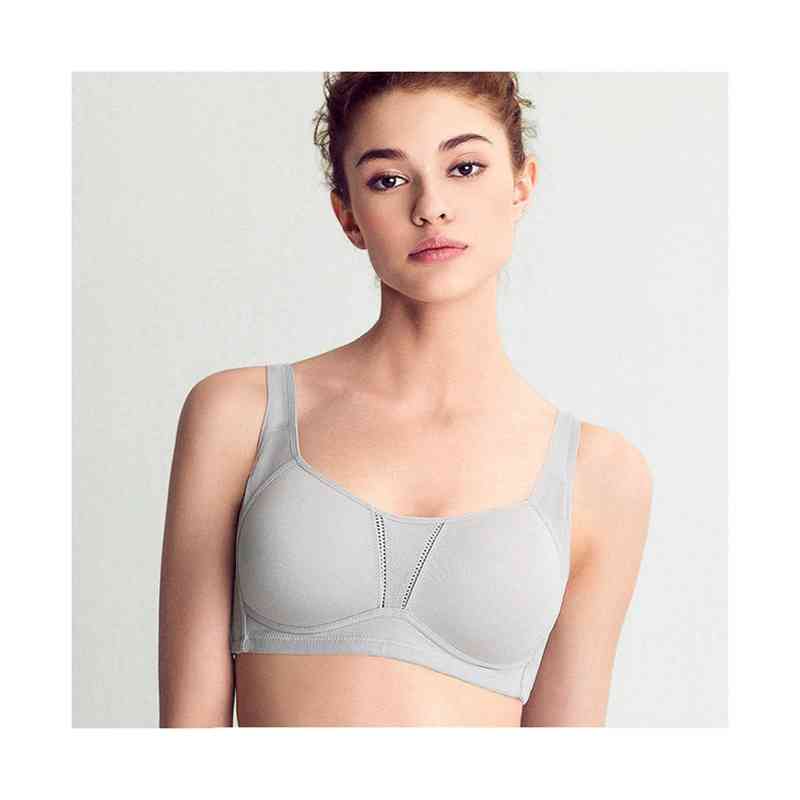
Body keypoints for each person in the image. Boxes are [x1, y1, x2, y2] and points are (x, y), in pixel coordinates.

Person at [158, 72, 653, 727]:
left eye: (465, 167)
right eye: (388, 179)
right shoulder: (239, 416)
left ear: (521, 184)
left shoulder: (600, 474)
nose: (431, 207)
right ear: (348, 216)